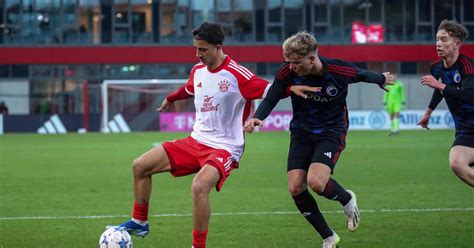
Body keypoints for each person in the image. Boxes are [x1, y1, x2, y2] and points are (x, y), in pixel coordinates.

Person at [111, 22, 271, 248]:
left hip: (226, 147)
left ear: (218, 47)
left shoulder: (237, 74)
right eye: (196, 49)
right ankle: (139, 221)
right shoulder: (198, 70)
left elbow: (270, 90)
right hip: (195, 141)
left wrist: (292, 88)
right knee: (140, 166)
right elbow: (190, 88)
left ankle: (198, 246)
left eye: (203, 50)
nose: (198, 54)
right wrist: (171, 97)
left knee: (199, 187)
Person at [244, 31, 393, 248]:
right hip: (302, 131)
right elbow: (273, 96)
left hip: (331, 131)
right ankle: (329, 237)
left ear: (312, 58)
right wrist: (258, 117)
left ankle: (347, 199)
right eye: (288, 62)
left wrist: (381, 79)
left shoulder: (338, 70)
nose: (291, 67)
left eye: (296, 62)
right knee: (295, 187)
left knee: (316, 182)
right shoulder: (287, 71)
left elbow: (361, 74)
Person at [418, 19, 474, 187]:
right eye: (437, 39)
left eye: (444, 39)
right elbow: (442, 88)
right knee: (456, 163)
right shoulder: (436, 67)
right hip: (465, 131)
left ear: (457, 44)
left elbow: (470, 97)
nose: (438, 44)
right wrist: (429, 111)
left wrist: (439, 84)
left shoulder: (468, 66)